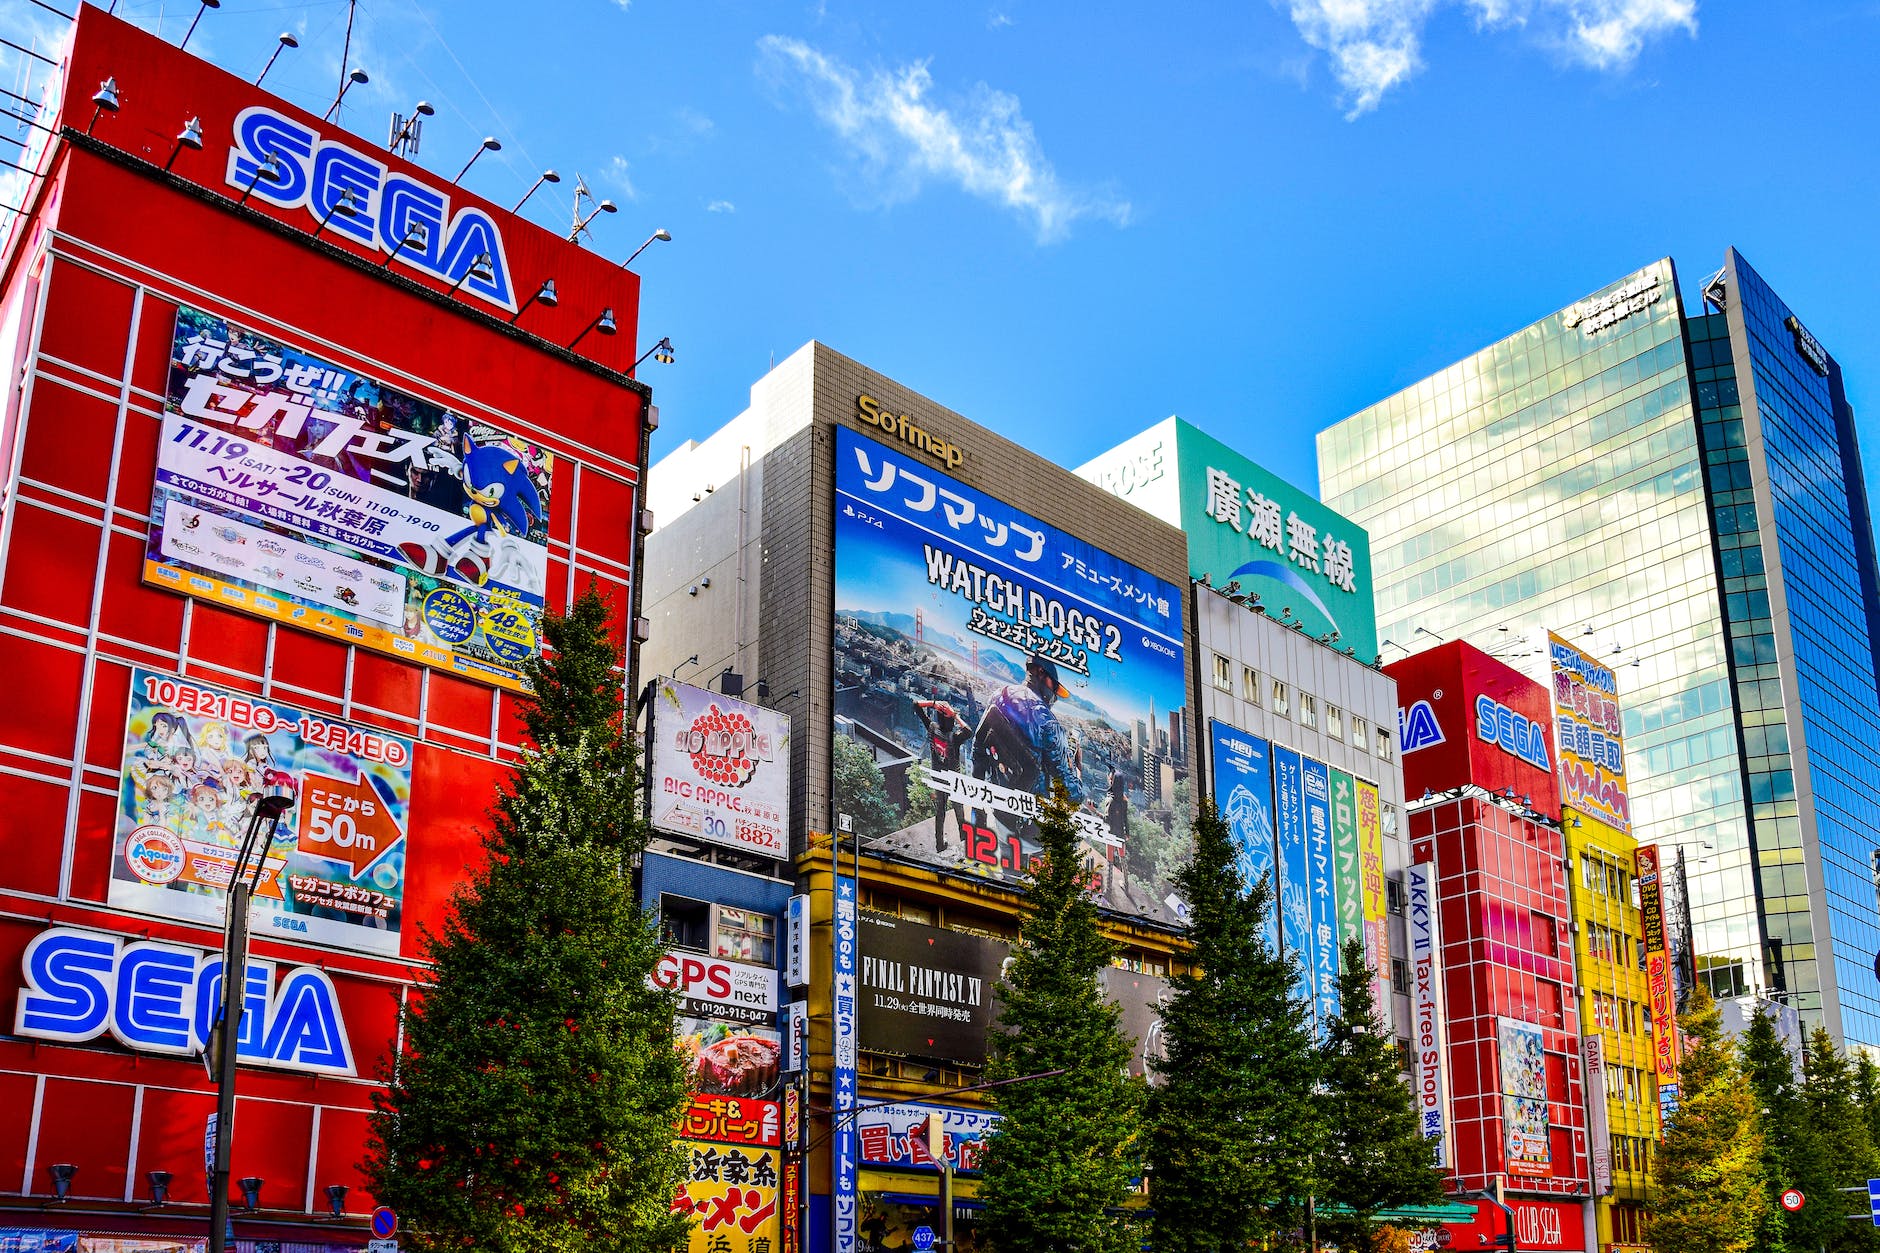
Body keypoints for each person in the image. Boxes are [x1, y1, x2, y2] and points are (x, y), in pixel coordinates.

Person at [971, 653, 1085, 809]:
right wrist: (1078, 769)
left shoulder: (998, 695)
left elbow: (978, 744)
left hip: (994, 801)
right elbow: (1072, 795)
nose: (1055, 695)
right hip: (1028, 818)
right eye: (1055, 687)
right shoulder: (1048, 721)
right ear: (1040, 672)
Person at [915, 699, 973, 852]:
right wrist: (956, 716)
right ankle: (964, 839)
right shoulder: (954, 737)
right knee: (958, 809)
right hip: (953, 779)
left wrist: (933, 703)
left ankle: (939, 844)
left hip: (938, 776)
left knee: (940, 810)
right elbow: (968, 731)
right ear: (950, 720)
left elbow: (916, 705)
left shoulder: (932, 728)